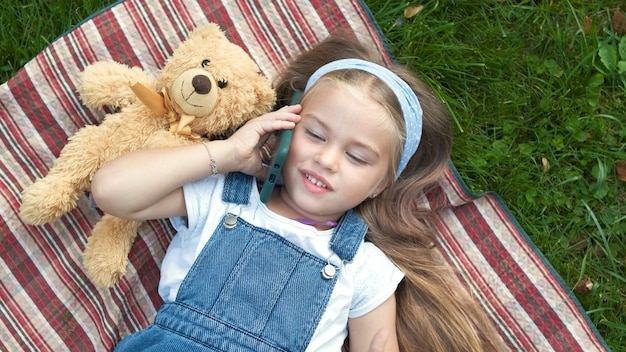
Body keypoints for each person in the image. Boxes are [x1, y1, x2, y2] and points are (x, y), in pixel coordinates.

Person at [92, 35, 505, 352]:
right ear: (285, 126)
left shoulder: (364, 267)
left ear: (381, 184)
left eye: (358, 157)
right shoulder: (222, 199)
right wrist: (227, 153)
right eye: (315, 134)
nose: (327, 160)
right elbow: (111, 191)